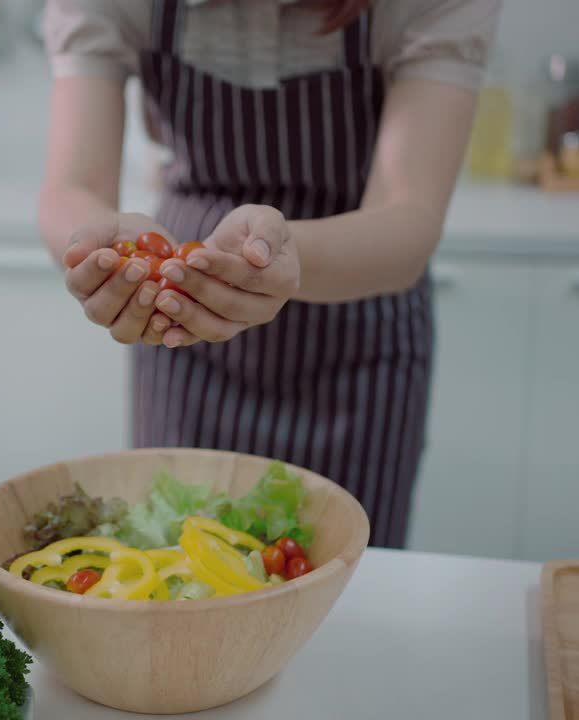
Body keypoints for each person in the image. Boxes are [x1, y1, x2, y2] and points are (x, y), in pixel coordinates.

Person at [36, 0, 501, 548]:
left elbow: (408, 219)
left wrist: (289, 252)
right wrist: (101, 245)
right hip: (184, 336)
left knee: (347, 585)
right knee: (176, 577)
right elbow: (72, 189)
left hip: (359, 342)